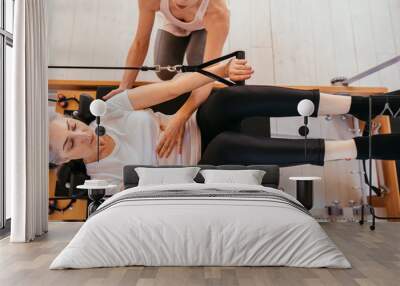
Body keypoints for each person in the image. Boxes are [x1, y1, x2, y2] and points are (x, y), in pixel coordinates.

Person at [49, 58, 400, 186]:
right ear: (65, 160)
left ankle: (362, 105)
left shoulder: (107, 110)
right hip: (202, 165)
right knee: (225, 146)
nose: (80, 135)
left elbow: (176, 87)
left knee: (226, 98)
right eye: (69, 144)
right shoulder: (102, 180)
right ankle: (364, 148)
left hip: (196, 124)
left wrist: (217, 72)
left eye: (73, 126)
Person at [104, 0, 230, 159]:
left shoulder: (217, 12)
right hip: (174, 24)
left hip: (203, 25)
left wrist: (180, 117)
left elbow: (209, 75)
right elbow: (140, 42)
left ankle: (189, 68)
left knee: (196, 68)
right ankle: (183, 76)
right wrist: (125, 87)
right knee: (164, 70)